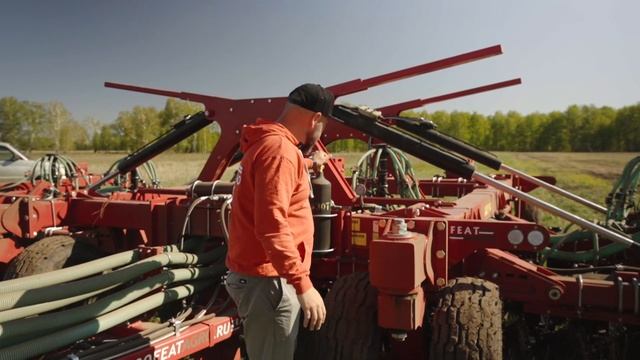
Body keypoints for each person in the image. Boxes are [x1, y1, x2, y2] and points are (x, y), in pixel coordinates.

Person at [225, 83, 335, 360]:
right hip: (271, 282)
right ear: (315, 119)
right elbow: (271, 227)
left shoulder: (271, 145)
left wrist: (312, 163)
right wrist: (303, 285)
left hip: (266, 277)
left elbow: (281, 173)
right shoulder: (281, 152)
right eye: (324, 126)